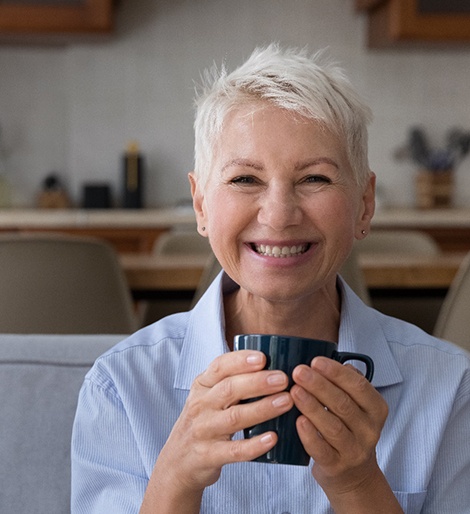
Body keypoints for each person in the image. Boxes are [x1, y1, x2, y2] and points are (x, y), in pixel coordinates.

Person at [71, 44, 470, 514]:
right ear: (201, 205)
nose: (279, 216)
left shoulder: (450, 389)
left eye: (315, 178)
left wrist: (358, 484)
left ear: (364, 205)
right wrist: (176, 478)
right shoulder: (120, 386)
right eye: (245, 179)